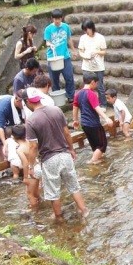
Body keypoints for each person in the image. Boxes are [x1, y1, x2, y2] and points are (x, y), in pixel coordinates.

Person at [24, 88, 89, 220]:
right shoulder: (56, 110)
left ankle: (58, 217)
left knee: (53, 192)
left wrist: (31, 166)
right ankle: (84, 210)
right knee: (74, 186)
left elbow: (33, 146)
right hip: (65, 155)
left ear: (28, 102)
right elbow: (66, 133)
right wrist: (71, 149)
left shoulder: (31, 121)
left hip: (49, 159)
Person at [73, 72, 113, 164]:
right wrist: (106, 118)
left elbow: (75, 107)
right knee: (102, 144)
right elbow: (96, 107)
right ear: (92, 82)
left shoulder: (77, 94)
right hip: (93, 124)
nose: (97, 85)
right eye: (96, 83)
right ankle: (92, 162)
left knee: (95, 145)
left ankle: (99, 159)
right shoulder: (91, 94)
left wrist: (75, 120)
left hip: (84, 124)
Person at [44, 9, 77, 102]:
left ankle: (71, 96)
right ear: (52, 19)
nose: (57, 21)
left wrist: (74, 51)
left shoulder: (66, 27)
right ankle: (57, 98)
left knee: (69, 77)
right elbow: (47, 41)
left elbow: (69, 39)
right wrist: (50, 44)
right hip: (53, 58)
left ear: (61, 18)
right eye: (55, 19)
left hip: (65, 56)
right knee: (54, 80)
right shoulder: (48, 29)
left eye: (59, 19)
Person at [78, 20, 107, 106]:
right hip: (87, 66)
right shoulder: (83, 38)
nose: (86, 32)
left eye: (87, 29)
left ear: (91, 28)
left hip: (98, 66)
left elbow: (104, 51)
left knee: (100, 86)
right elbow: (80, 51)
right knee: (87, 86)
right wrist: (84, 56)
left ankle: (103, 104)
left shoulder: (100, 37)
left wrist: (96, 52)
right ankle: (89, 104)